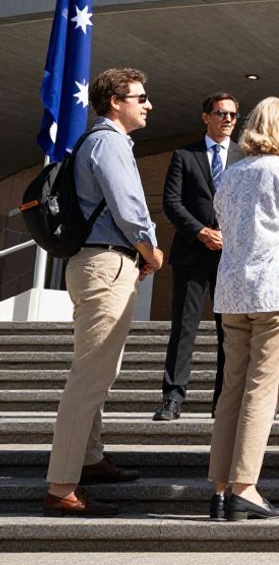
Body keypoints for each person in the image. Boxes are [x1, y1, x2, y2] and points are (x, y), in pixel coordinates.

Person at [43, 68, 165, 517]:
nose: (147, 104)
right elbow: (128, 205)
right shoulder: (109, 142)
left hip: (99, 262)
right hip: (106, 262)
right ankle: (60, 487)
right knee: (90, 379)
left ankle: (89, 460)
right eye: (140, 96)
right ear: (116, 101)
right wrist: (151, 251)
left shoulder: (99, 142)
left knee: (96, 374)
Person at [208, 97, 279, 522]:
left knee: (232, 391)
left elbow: (223, 224)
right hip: (276, 291)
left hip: (233, 294)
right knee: (262, 390)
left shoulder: (232, 173)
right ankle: (245, 488)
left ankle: (221, 489)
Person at [154, 92, 241, 422]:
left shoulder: (243, 156)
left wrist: (229, 236)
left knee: (229, 332)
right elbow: (171, 203)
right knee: (184, 328)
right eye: (221, 113)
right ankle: (172, 398)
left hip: (230, 258)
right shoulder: (184, 155)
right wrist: (201, 232)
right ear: (206, 117)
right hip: (192, 253)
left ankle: (222, 402)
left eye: (233, 115)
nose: (228, 119)